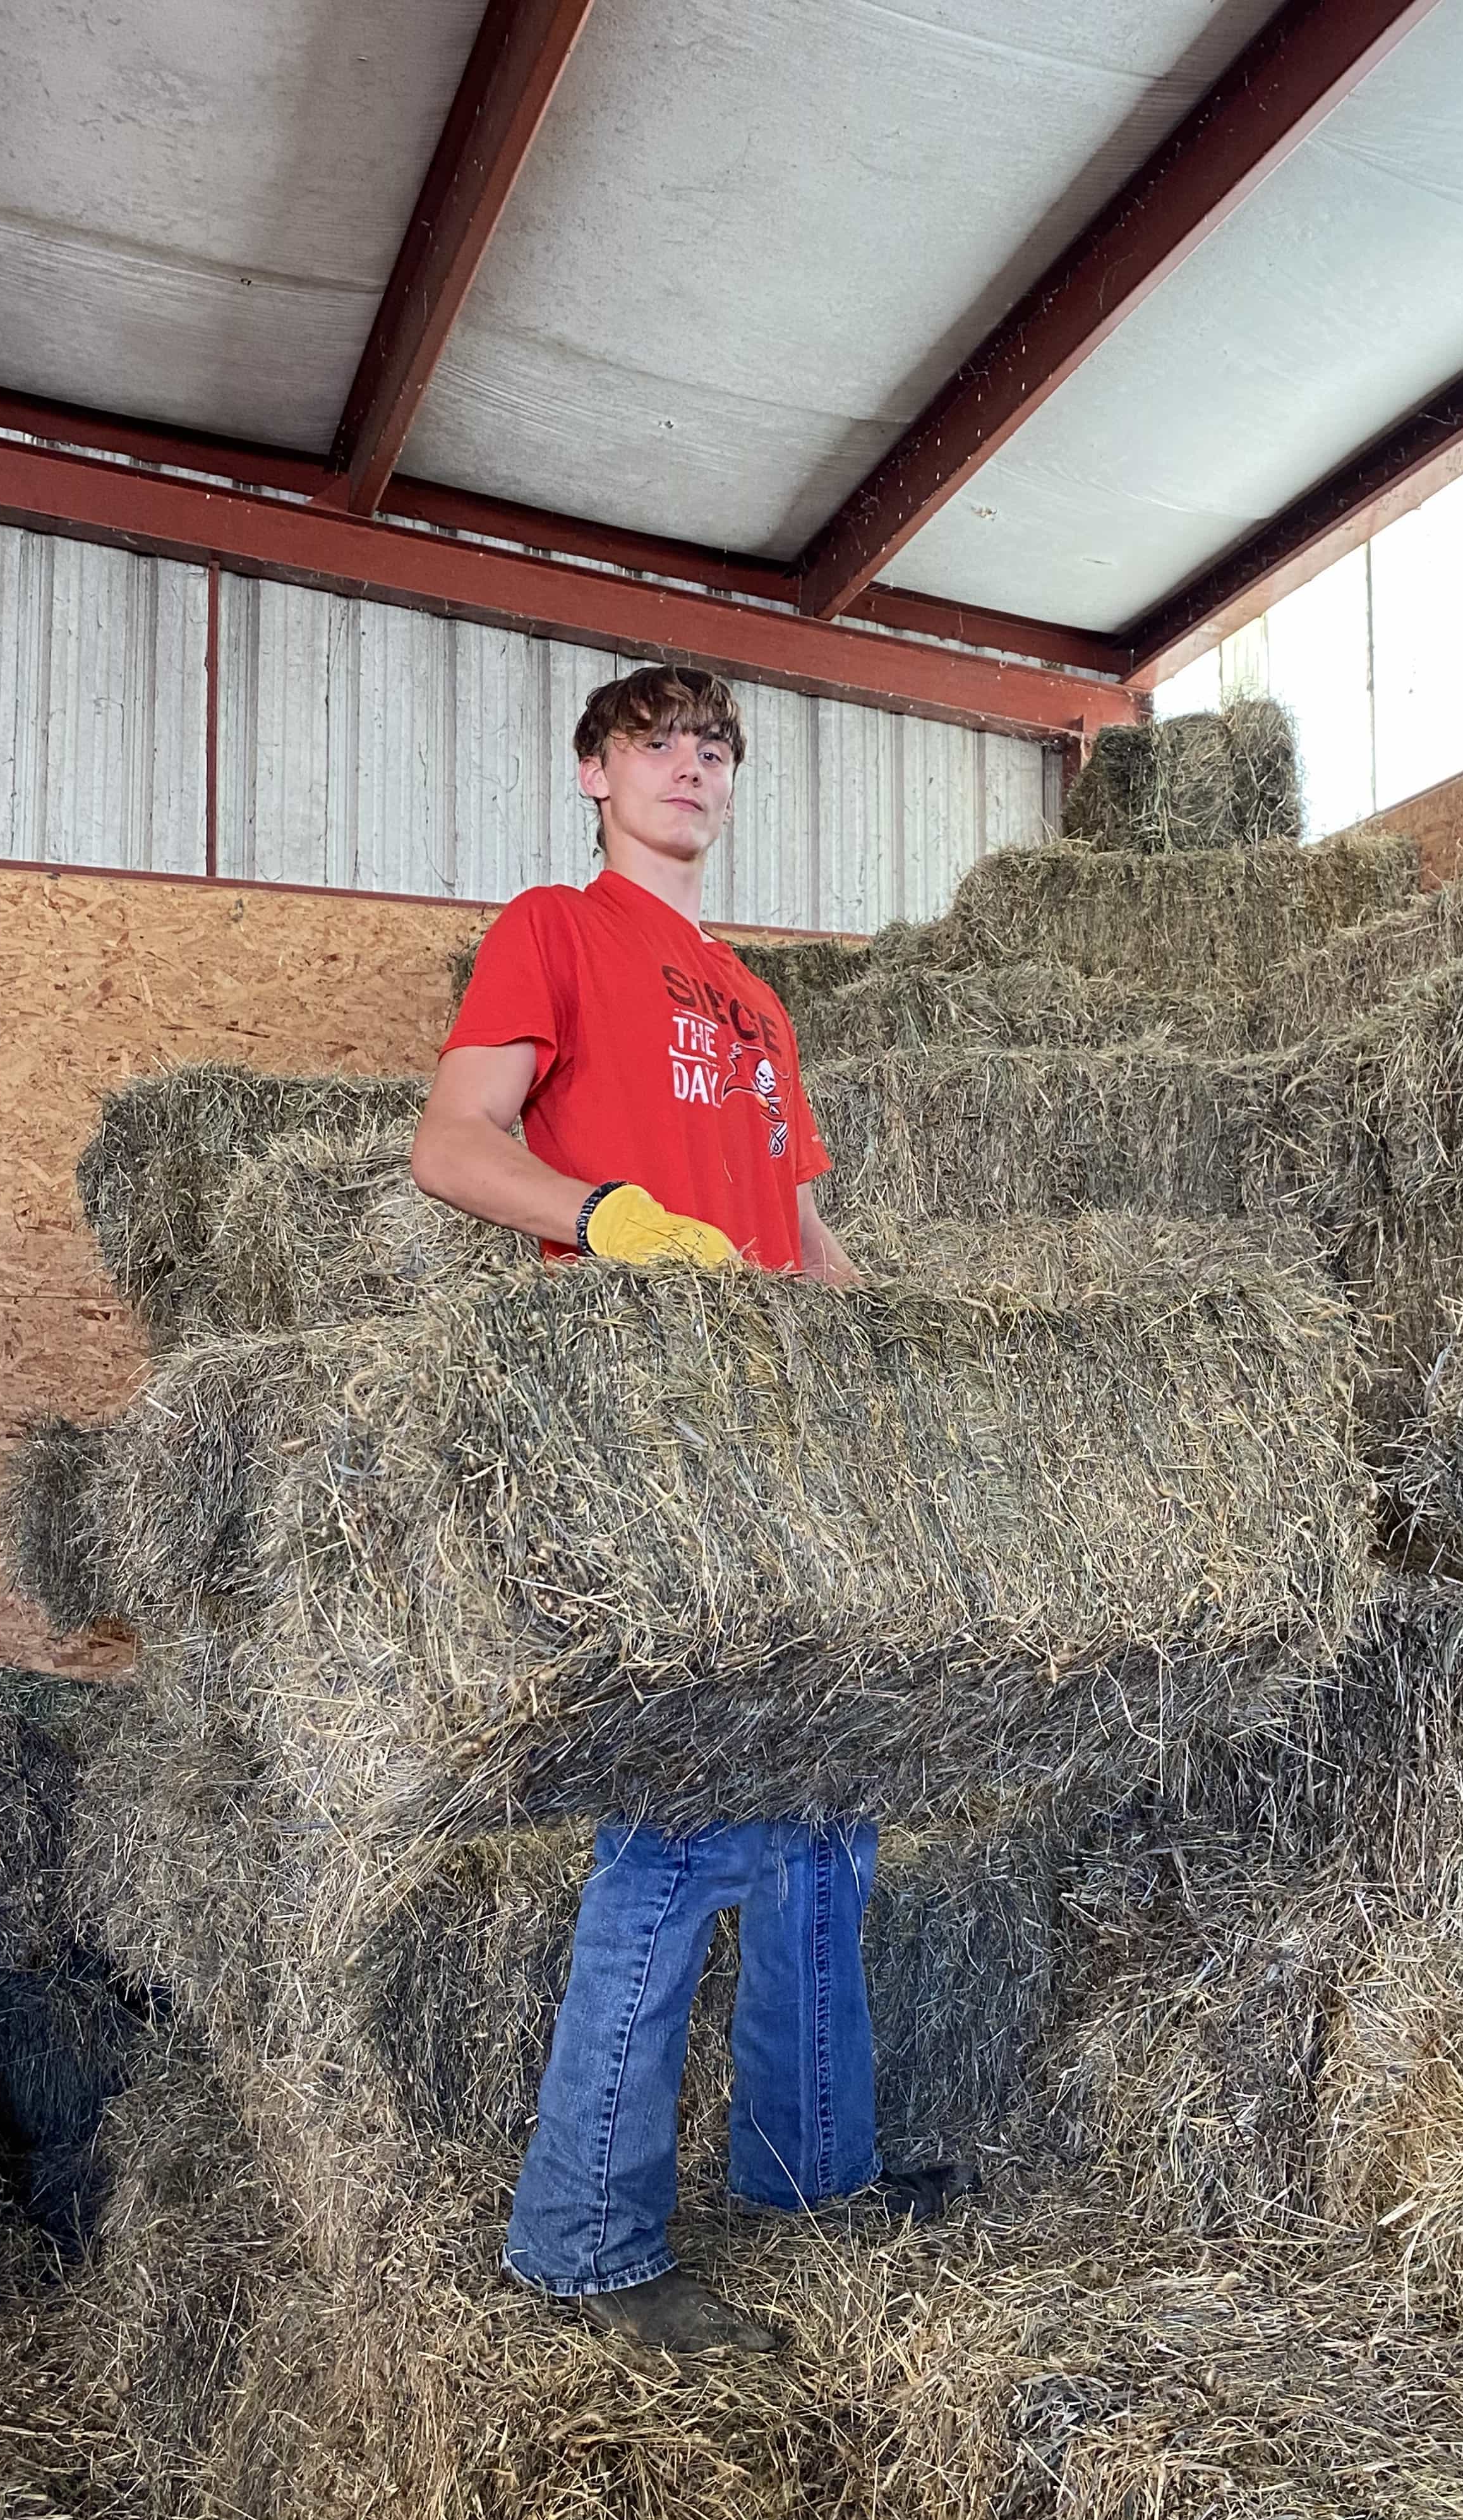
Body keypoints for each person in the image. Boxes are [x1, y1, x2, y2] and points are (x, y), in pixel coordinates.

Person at [410, 664, 973, 2356]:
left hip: (773, 1436)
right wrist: (607, 1217)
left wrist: (916, 1383)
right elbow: (454, 1142)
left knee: (824, 1817)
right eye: (659, 746)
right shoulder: (554, 933)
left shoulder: (755, 1007)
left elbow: (807, 1248)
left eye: (717, 751)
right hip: (639, 1434)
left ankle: (818, 2173)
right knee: (679, 1823)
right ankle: (582, 2241)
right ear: (594, 773)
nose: (693, 772)